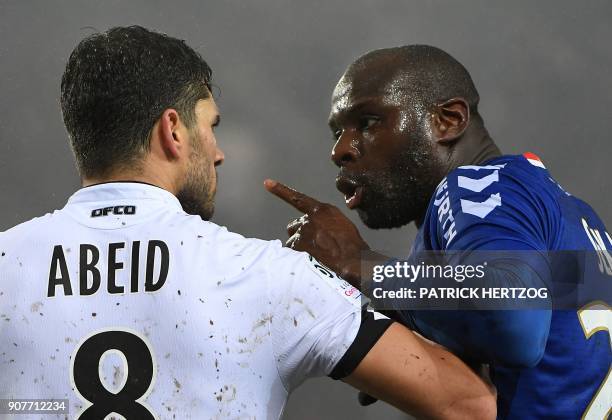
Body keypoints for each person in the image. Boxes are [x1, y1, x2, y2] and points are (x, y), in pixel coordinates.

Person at [0, 29, 496, 419]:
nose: (217, 153)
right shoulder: (272, 276)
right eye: (210, 126)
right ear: (173, 130)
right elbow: (470, 405)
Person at [265, 45, 611, 419]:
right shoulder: (575, 215)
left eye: (367, 122)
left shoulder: (477, 187)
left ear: (448, 120)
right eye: (337, 133)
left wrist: (359, 263)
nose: (340, 150)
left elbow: (513, 319)